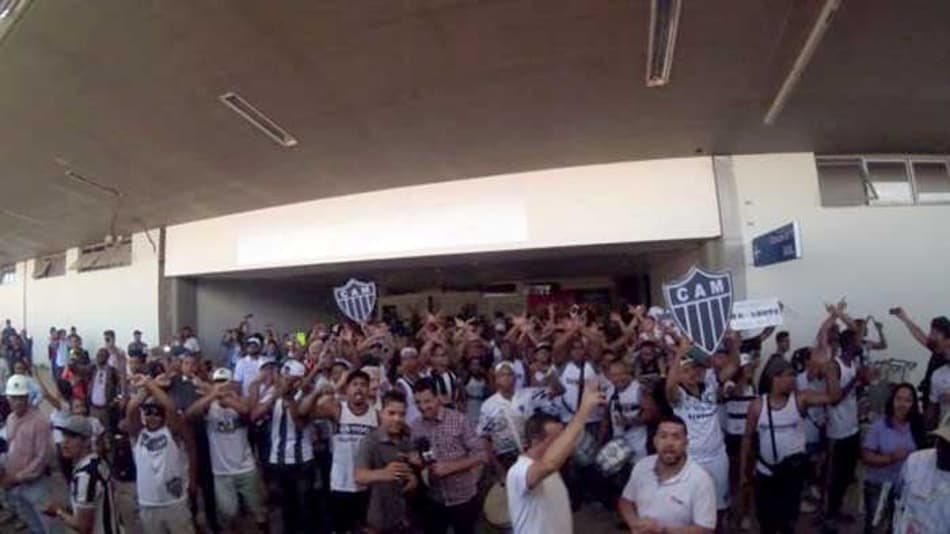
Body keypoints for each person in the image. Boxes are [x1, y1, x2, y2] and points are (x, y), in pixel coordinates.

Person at [741, 358, 833, 534]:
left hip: (791, 474)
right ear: (775, 378)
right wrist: (743, 473)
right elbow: (747, 439)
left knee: (788, 521)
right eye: (789, 375)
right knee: (766, 521)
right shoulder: (757, 406)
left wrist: (829, 368)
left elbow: (833, 396)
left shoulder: (800, 399)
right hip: (766, 473)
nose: (793, 379)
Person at [506, 379, 606, 534]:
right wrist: (583, 411)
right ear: (535, 440)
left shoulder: (555, 470)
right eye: (557, 439)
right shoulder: (519, 470)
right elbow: (548, 464)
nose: (564, 444)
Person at [185, 368, 266, 534]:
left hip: (246, 467)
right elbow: (190, 413)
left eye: (224, 382)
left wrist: (222, 396)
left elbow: (245, 411)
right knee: (230, 514)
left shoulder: (240, 400)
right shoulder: (209, 406)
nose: (221, 385)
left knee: (259, 511)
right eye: (218, 382)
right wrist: (212, 396)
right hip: (221, 471)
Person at [302, 369, 378, 534]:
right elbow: (303, 412)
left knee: (363, 528)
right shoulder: (337, 410)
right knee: (339, 528)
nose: (359, 389)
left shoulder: (376, 415)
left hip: (365, 485)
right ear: (347, 388)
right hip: (340, 483)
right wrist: (318, 392)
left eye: (363, 385)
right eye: (354, 384)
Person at [411, 377, 486, 534]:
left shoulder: (458, 420)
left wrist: (452, 467)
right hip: (434, 500)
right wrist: (418, 463)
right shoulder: (416, 426)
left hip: (463, 499)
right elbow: (420, 458)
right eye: (418, 402)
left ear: (438, 397)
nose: (423, 407)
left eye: (427, 401)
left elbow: (481, 454)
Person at [618, 414, 717, 533]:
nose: (669, 443)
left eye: (676, 437)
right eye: (663, 436)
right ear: (655, 441)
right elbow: (626, 501)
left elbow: (706, 530)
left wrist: (662, 530)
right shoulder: (642, 466)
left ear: (686, 443)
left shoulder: (701, 479)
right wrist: (635, 525)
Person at [665, 344, 733, 515]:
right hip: (692, 458)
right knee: (691, 507)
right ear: (679, 375)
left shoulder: (710, 387)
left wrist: (735, 345)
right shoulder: (678, 397)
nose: (692, 373)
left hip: (717, 456)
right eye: (686, 370)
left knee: (719, 507)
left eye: (695, 369)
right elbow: (669, 387)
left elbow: (733, 366)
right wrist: (679, 353)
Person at [125, 374, 196, 534]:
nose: (152, 417)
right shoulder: (138, 434)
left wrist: (151, 385)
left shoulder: (170, 431)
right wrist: (146, 388)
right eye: (148, 413)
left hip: (174, 501)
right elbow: (131, 409)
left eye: (157, 413)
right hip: (148, 502)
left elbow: (170, 407)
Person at [251, 359, 316, 533]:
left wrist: (290, 400)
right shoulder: (273, 394)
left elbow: (301, 423)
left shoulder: (309, 396)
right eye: (285, 378)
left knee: (305, 506)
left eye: (292, 379)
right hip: (279, 459)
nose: (287, 382)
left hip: (303, 458)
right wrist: (275, 396)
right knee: (286, 506)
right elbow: (254, 415)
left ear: (300, 380)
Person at [860, 383, 924, 534]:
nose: (902, 404)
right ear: (892, 401)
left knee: (896, 528)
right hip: (879, 486)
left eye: (908, 400)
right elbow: (866, 456)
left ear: (914, 404)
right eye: (899, 399)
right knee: (876, 527)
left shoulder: (916, 426)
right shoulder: (880, 425)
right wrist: (890, 458)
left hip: (905, 489)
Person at [44, 415, 122, 534]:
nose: (65, 442)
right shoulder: (97, 462)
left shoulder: (86, 475)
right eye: (64, 435)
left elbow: (83, 526)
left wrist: (58, 511)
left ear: (86, 441)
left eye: (72, 436)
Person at [355, 390, 419, 534]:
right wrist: (385, 473)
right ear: (381, 412)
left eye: (402, 414)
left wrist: (413, 479)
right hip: (376, 522)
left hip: (402, 518)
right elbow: (359, 476)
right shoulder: (370, 442)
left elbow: (409, 474)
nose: (397, 419)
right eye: (391, 413)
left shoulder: (406, 441)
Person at [1, 375, 53, 534]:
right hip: (16, 484)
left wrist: (16, 477)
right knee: (33, 524)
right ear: (8, 398)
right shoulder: (10, 419)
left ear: (27, 397)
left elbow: (41, 458)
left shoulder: (40, 421)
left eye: (21, 398)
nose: (17, 402)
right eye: (14, 398)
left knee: (49, 526)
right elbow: (10, 447)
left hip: (36, 484)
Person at [892, 413, 950, 533]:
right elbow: (898, 500)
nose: (941, 449)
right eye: (941, 441)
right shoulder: (915, 461)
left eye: (949, 446)